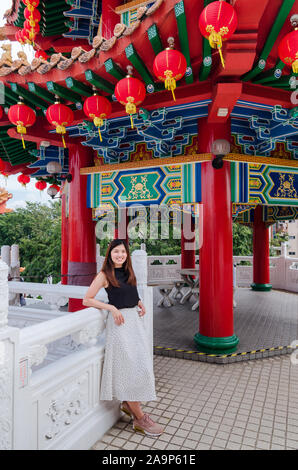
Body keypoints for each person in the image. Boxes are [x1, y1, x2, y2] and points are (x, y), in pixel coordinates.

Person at [83, 239, 164, 437]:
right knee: (127, 367)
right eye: (116, 251)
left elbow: (129, 293)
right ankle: (140, 418)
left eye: (123, 252)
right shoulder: (104, 275)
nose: (120, 255)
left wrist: (139, 301)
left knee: (139, 365)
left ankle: (130, 405)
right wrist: (111, 307)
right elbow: (87, 299)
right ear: (109, 254)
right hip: (119, 326)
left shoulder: (128, 272)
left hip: (134, 323)